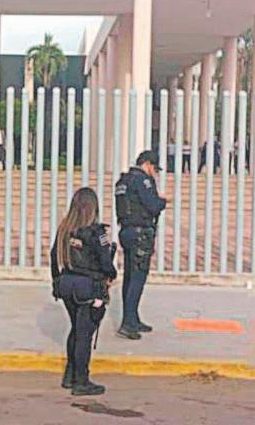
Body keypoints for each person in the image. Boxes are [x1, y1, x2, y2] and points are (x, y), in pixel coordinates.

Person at [50, 187, 117, 396]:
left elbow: (53, 256)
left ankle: (69, 375)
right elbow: (105, 262)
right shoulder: (97, 232)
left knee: (76, 330)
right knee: (84, 334)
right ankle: (81, 380)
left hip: (67, 284)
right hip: (88, 287)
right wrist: (111, 274)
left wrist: (56, 281)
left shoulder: (65, 229)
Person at [114, 150, 169, 340]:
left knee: (130, 277)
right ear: (147, 164)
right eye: (154, 168)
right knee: (137, 279)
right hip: (140, 234)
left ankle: (132, 317)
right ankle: (128, 323)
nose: (155, 173)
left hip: (126, 231)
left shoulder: (123, 181)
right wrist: (162, 201)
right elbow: (152, 205)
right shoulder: (142, 180)